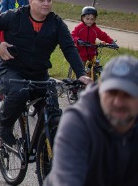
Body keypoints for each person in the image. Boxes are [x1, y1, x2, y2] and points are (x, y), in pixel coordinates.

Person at [0, 0, 91, 146]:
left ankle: (47, 160)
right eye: (42, 0)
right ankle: (4, 126)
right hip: (13, 70)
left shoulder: (56, 23)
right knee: (20, 93)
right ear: (31, 1)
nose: (46, 3)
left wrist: (81, 73)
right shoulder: (14, 16)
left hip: (40, 74)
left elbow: (69, 48)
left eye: (49, 0)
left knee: (54, 113)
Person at [44, 55, 138, 186]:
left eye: (127, 95)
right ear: (100, 90)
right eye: (111, 93)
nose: (118, 102)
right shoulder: (77, 123)